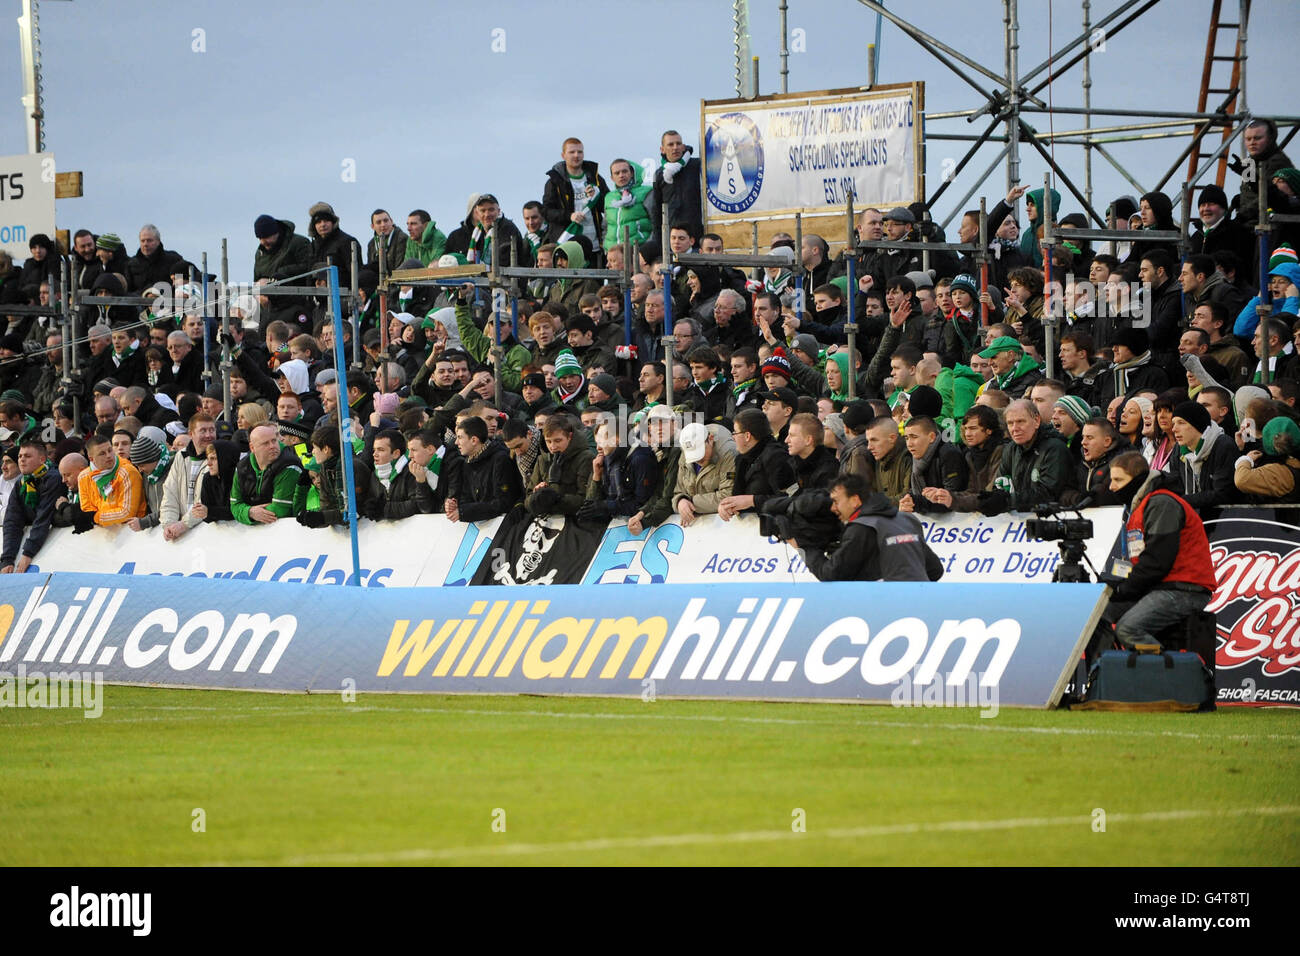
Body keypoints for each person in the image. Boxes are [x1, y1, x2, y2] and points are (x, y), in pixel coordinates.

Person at [1098, 452, 1216, 653]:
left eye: (1118, 480)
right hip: (1156, 586)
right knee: (1095, 616)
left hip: (1184, 589)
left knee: (1129, 629)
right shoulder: (1137, 507)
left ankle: (1162, 671)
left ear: (1138, 480)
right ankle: (1104, 673)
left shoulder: (1162, 503)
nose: (1112, 487)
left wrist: (1124, 588)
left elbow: (1158, 561)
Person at [795, 473, 944, 582]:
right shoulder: (907, 519)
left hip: (886, 608)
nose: (833, 508)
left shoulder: (862, 527)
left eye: (836, 501)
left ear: (854, 500)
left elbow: (831, 575)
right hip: (922, 605)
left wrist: (806, 547)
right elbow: (935, 570)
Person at [980, 399, 1077, 514]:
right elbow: (1000, 482)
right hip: (1020, 522)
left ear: (1036, 421)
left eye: (1020, 421)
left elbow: (1048, 494)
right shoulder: (1010, 448)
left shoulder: (1055, 449)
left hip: (1054, 519)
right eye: (1010, 423)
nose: (1014, 428)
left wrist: (1007, 500)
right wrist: (994, 499)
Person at [717, 407, 796, 520]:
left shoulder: (776, 457)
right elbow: (738, 496)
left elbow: (788, 499)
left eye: (735, 432)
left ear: (747, 436)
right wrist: (726, 505)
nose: (733, 437)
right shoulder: (742, 459)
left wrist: (753, 501)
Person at [1, 439, 64, 573]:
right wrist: (7, 559)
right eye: (20, 456)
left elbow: (43, 518)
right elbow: (12, 520)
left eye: (27, 456)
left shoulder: (53, 478)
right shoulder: (21, 482)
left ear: (42, 459)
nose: (22, 460)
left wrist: (27, 554)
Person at [446, 416, 523, 524]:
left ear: (474, 440)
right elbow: (467, 497)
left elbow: (504, 502)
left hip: (503, 526)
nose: (456, 442)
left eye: (460, 437)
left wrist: (465, 511)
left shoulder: (500, 459)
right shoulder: (467, 463)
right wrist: (456, 505)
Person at [1170, 399, 1238, 515]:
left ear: (1197, 424)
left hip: (1223, 522)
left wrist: (1181, 500)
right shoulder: (1178, 449)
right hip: (1189, 519)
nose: (1174, 429)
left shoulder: (1223, 445)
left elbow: (1223, 494)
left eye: (1181, 423)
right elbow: (1174, 485)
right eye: (1173, 423)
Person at [542, 137, 609, 252]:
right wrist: (569, 216)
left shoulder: (595, 178)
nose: (576, 155)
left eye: (580, 152)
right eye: (572, 152)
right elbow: (546, 212)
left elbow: (608, 206)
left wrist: (596, 197)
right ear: (563, 156)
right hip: (567, 245)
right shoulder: (555, 181)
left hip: (595, 246)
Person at [231, 423, 302, 525]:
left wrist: (247, 512)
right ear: (252, 448)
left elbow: (280, 509)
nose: (272, 446)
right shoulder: (242, 468)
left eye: (274, 441)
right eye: (265, 443)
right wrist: (250, 512)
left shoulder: (289, 466)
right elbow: (234, 505)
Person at [525, 414, 594, 517]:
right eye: (548, 441)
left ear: (569, 437)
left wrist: (554, 496)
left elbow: (585, 499)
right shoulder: (542, 460)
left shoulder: (585, 458)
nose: (552, 447)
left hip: (575, 520)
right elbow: (527, 501)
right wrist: (537, 496)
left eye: (558, 441)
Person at [672, 422, 736, 527]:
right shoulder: (686, 451)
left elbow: (728, 495)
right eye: (693, 455)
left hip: (724, 524)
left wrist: (691, 502)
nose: (698, 459)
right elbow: (678, 491)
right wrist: (680, 501)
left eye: (700, 452)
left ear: (710, 439)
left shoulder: (728, 453)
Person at [77, 433, 146, 527]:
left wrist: (96, 518)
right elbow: (87, 510)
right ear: (91, 459)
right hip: (104, 533)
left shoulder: (128, 472)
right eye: (102, 454)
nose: (109, 455)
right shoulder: (83, 477)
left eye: (110, 450)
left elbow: (127, 513)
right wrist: (94, 517)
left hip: (133, 533)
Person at [903, 415, 968, 514]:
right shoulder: (915, 455)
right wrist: (907, 500)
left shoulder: (949, 454)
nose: (909, 444)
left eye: (914, 437)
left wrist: (916, 502)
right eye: (906, 438)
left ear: (932, 437)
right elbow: (914, 491)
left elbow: (952, 498)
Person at [650, 130, 703, 243]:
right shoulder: (660, 174)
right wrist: (658, 239)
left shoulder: (697, 166)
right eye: (670, 144)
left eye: (678, 144)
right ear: (662, 149)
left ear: (683, 147)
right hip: (673, 238)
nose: (675, 147)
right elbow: (656, 209)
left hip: (697, 234)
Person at [1234, 416, 1300, 502]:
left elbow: (1242, 480)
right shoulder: (1294, 462)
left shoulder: (1280, 473)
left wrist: (1246, 459)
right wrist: (1242, 449)